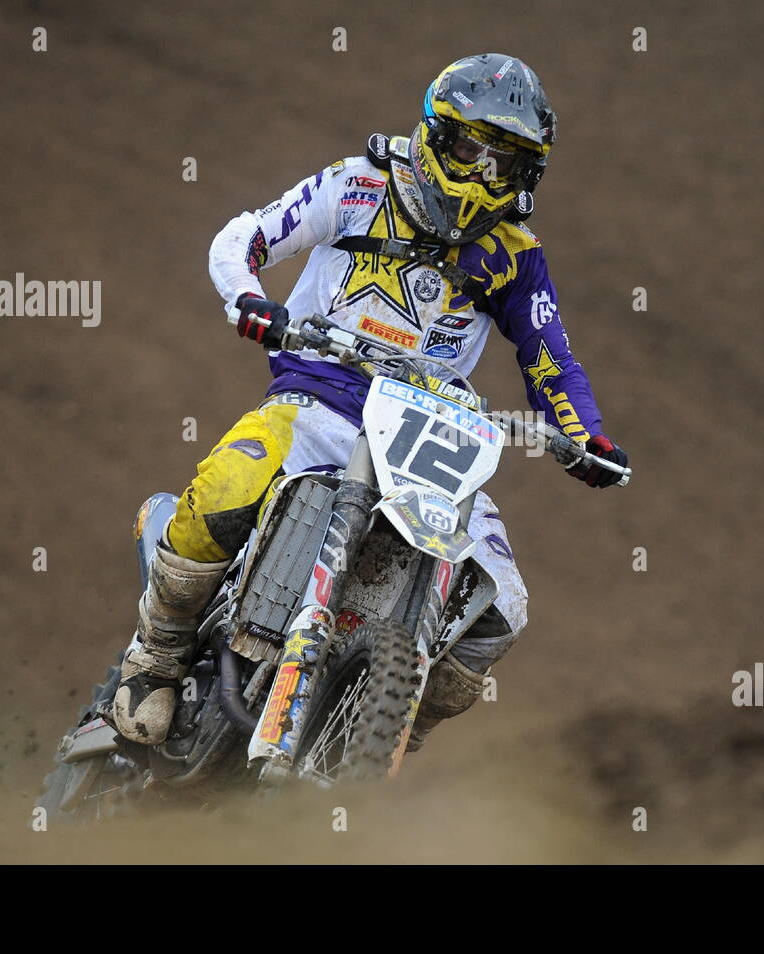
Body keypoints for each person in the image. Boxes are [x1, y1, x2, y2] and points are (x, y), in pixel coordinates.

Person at [112, 54, 628, 752]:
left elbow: (550, 355)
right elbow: (247, 236)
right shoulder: (357, 186)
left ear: (526, 175)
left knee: (501, 608)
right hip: (320, 400)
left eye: (502, 162)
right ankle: (158, 657)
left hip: (428, 438)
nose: (481, 173)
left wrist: (586, 437)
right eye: (469, 148)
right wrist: (248, 299)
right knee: (230, 483)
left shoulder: (514, 253)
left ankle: (372, 734)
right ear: (435, 134)